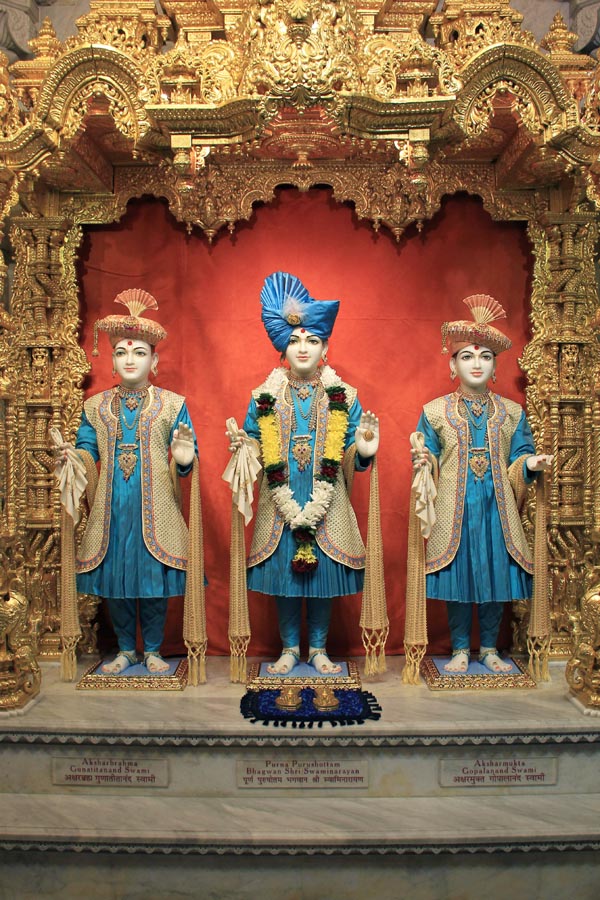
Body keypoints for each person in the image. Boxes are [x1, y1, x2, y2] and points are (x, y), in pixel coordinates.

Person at [226, 271, 385, 676]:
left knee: (320, 582)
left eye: (312, 340)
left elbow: (351, 450)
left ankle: (317, 649)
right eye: (295, 340)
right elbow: (254, 444)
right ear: (283, 346)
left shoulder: (344, 396)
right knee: (285, 580)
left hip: (327, 504)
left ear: (325, 348)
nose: (302, 348)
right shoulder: (263, 395)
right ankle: (287, 649)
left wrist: (363, 451)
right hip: (279, 503)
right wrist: (243, 449)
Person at [55, 289, 201, 676]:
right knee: (116, 580)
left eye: (139, 352)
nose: (130, 359)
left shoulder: (172, 404)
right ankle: (125, 649)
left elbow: (188, 453)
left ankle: (152, 649)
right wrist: (74, 459)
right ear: (112, 361)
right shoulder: (95, 407)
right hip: (112, 508)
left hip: (157, 509)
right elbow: (87, 448)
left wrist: (184, 459)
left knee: (152, 580)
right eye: (121, 352)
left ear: (155, 360)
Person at [409, 294, 552, 674]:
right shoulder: (435, 411)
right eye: (467, 357)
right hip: (453, 510)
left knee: (494, 575)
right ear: (452, 364)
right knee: (458, 578)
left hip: (496, 510)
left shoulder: (512, 412)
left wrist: (529, 463)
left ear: (495, 366)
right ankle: (459, 648)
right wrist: (424, 461)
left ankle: (488, 648)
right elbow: (428, 454)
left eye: (485, 357)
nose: (476, 364)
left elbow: (520, 454)